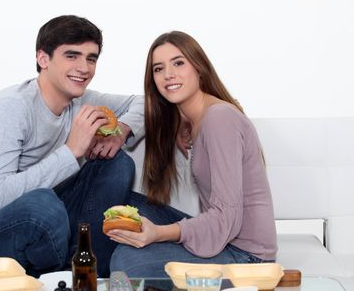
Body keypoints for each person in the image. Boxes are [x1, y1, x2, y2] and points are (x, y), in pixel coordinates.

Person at [0, 15, 144, 278]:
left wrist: (121, 132)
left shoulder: (82, 100)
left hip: (48, 228)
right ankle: (63, 270)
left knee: (117, 163)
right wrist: (71, 151)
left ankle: (90, 270)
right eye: (71, 56)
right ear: (43, 59)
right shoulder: (11, 108)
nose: (83, 68)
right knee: (43, 203)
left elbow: (145, 103)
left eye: (91, 58)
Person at [108, 31, 277, 277]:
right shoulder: (197, 118)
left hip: (247, 257)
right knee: (125, 207)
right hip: (225, 239)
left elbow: (225, 217)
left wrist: (159, 233)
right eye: (158, 69)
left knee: (126, 261)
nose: (168, 75)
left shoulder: (219, 119)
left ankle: (109, 281)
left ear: (198, 68)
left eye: (178, 63)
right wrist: (180, 122)